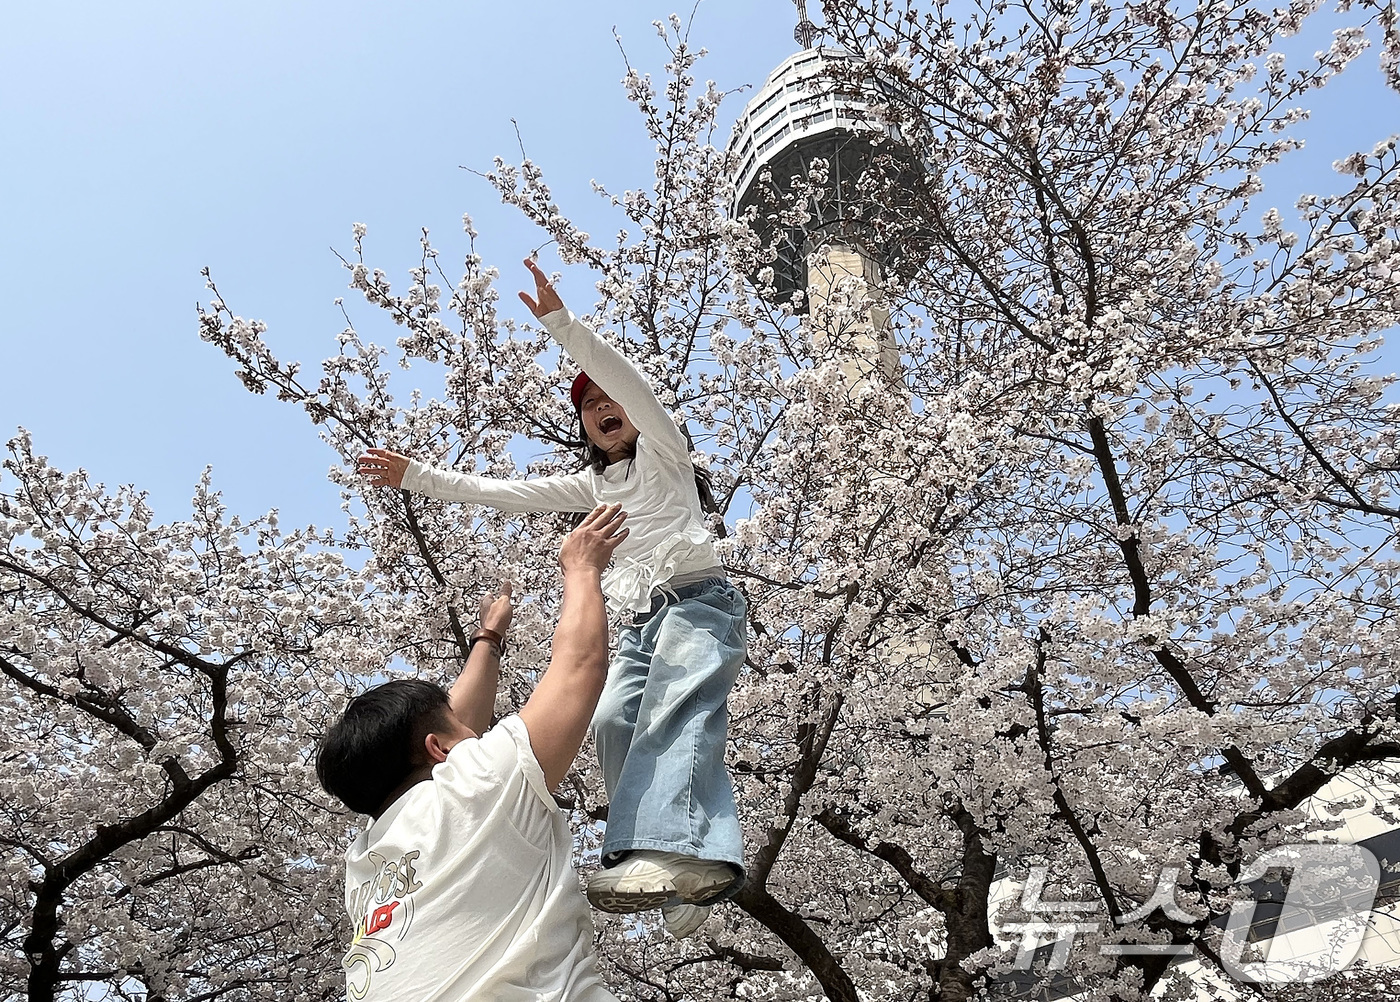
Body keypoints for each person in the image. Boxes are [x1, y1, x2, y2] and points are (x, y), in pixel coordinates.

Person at [356, 259, 746, 938]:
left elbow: (632, 385)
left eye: (609, 401)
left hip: (696, 597)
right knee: (616, 720)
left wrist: (564, 328)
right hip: (638, 621)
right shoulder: (592, 489)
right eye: (589, 408)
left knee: (678, 705)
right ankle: (657, 865)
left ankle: (687, 850)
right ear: (586, 432)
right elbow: (502, 491)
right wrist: (414, 475)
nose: (602, 408)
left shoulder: (666, 456)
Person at [317, 504, 629, 1001]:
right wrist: (582, 567)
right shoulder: (477, 787)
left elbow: (447, 733)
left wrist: (490, 636)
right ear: (438, 750)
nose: (476, 735)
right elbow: (580, 668)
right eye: (462, 731)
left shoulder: (368, 860)